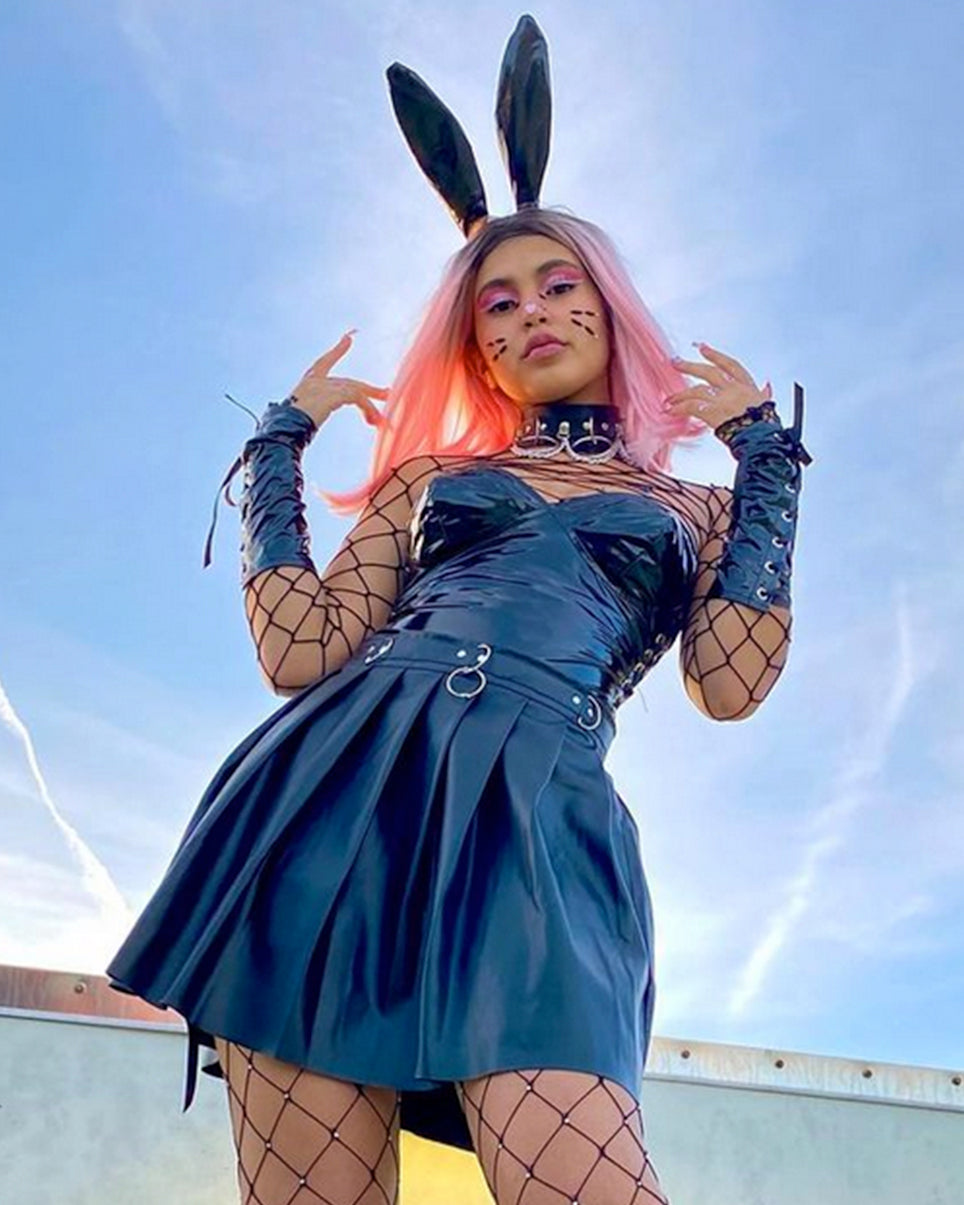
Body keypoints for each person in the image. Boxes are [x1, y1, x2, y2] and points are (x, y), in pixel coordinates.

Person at [108, 18, 811, 1205]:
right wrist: (277, 450)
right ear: (476, 349)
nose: (529, 312)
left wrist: (770, 467)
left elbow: (729, 683)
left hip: (539, 820)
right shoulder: (430, 477)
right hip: (335, 797)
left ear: (608, 308)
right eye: (496, 304)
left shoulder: (699, 506)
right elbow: (299, 649)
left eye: (557, 285)